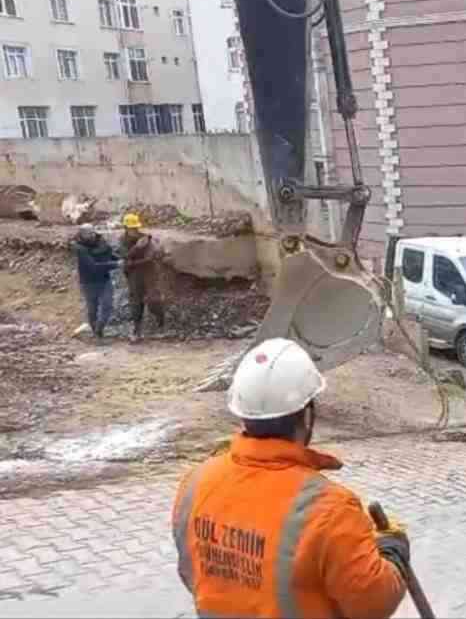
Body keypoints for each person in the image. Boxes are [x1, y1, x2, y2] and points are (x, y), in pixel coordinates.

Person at [171, 338, 408, 617]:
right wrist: (393, 550)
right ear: (307, 417)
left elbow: (191, 574)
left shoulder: (195, 483)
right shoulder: (329, 510)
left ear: (243, 414)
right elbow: (373, 603)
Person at [120, 213, 168, 341]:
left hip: (148, 273)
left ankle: (161, 325)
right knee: (136, 302)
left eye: (135, 228)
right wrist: (137, 249)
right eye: (131, 229)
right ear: (126, 228)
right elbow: (125, 257)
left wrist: (150, 255)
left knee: (154, 300)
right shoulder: (123, 241)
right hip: (134, 275)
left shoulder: (145, 239)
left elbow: (153, 256)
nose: (134, 231)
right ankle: (137, 330)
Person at [72, 223, 121, 340]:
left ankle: (99, 329)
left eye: (92, 233)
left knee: (107, 305)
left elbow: (109, 254)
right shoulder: (80, 248)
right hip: (88, 282)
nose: (92, 235)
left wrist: (121, 258)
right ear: (82, 235)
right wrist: (116, 264)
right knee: (92, 308)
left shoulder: (101, 241)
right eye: (88, 234)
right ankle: (96, 332)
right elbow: (93, 266)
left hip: (104, 280)